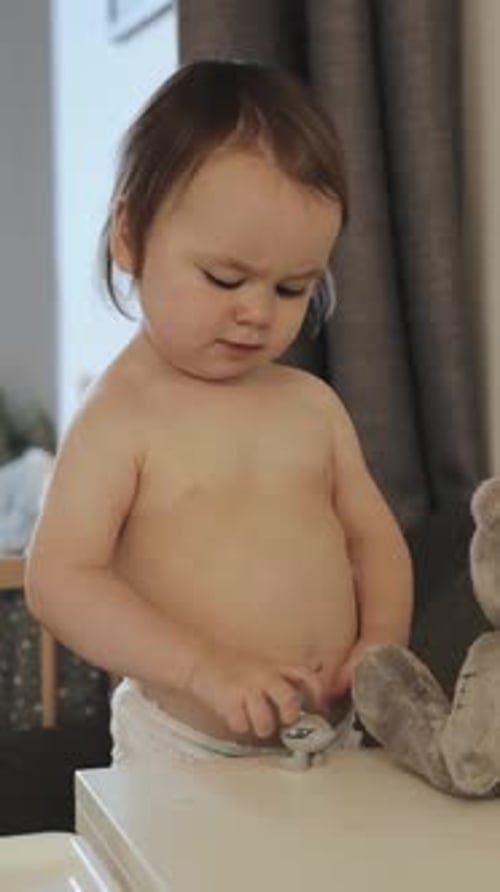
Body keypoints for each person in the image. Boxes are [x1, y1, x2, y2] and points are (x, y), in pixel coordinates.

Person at [25, 59, 413, 766]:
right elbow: (58, 581)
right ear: (130, 238)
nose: (257, 313)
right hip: (187, 749)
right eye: (225, 278)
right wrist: (204, 668)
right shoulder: (120, 420)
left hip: (334, 732)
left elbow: (374, 540)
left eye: (294, 289)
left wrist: (379, 644)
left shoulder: (312, 406)